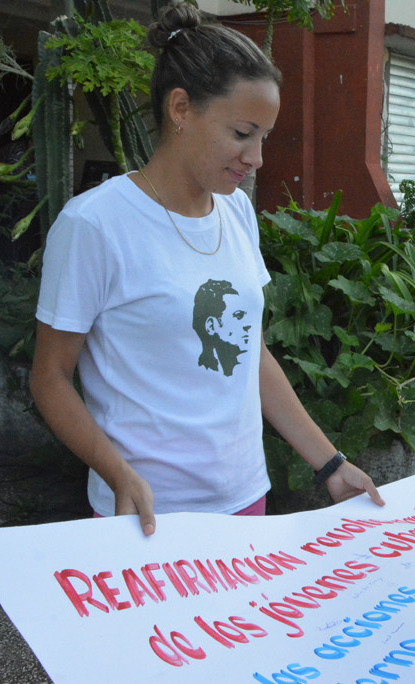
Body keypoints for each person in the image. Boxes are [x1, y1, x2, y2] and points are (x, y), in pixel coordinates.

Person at [30, 1, 383, 538]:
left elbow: (252, 355)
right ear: (181, 109)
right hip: (143, 515)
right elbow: (51, 377)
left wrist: (330, 465)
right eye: (243, 133)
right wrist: (117, 473)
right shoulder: (95, 225)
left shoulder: (237, 212)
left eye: (264, 136)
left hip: (245, 500)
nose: (257, 157)